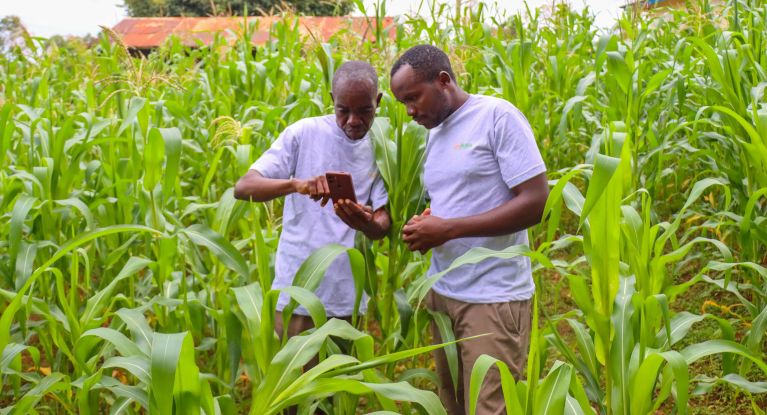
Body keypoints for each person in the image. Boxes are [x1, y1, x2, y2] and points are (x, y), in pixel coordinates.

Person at [390, 45, 549, 415]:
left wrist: (448, 229)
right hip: (444, 292)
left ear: (443, 81)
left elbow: (536, 201)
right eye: (403, 103)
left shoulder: (496, 117)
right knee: (454, 405)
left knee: (490, 408)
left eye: (413, 98)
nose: (410, 111)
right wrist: (430, 222)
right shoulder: (434, 131)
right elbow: (461, 197)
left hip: (491, 298)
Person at [234, 60, 391, 337]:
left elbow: (382, 223)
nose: (353, 121)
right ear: (332, 100)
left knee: (339, 378)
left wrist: (365, 222)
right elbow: (245, 187)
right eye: (343, 110)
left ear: (377, 101)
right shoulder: (304, 133)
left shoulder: (382, 149)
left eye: (365, 111)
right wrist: (297, 185)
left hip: (347, 298)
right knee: (295, 374)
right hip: (298, 292)